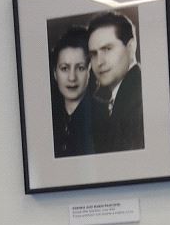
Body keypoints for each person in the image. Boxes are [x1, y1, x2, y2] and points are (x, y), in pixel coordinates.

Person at [86, 12, 144, 153]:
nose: (99, 62)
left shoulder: (139, 97)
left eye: (107, 49)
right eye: (93, 54)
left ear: (131, 47)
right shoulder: (116, 97)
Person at [50, 26, 95, 158]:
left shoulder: (102, 116)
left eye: (80, 68)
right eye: (64, 68)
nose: (72, 77)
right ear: (55, 73)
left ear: (89, 71)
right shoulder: (51, 118)